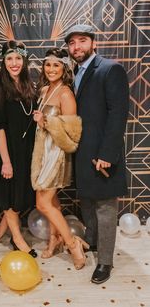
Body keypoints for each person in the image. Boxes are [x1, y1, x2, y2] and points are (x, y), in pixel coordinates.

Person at [65, 24, 129, 283]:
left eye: (82, 41)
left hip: (103, 154)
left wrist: (108, 153)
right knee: (88, 202)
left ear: (93, 43)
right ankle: (91, 241)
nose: (76, 47)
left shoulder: (109, 69)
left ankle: (105, 262)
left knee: (105, 208)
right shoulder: (76, 72)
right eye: (72, 43)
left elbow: (118, 115)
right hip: (83, 153)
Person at [31, 47, 89, 270]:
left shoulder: (66, 93)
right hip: (42, 153)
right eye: (48, 64)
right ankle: (54, 239)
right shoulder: (45, 90)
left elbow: (72, 136)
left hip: (56, 154)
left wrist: (45, 122)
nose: (51, 69)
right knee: (51, 201)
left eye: (56, 65)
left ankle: (73, 243)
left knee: (42, 203)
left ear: (64, 68)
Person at [0, 40, 37, 257]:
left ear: (24, 61)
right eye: (9, 59)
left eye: (18, 58)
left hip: (27, 149)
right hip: (10, 150)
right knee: (10, 197)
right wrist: (5, 161)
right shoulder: (0, 88)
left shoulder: (29, 85)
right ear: (3, 61)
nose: (14, 63)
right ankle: (17, 239)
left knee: (19, 197)